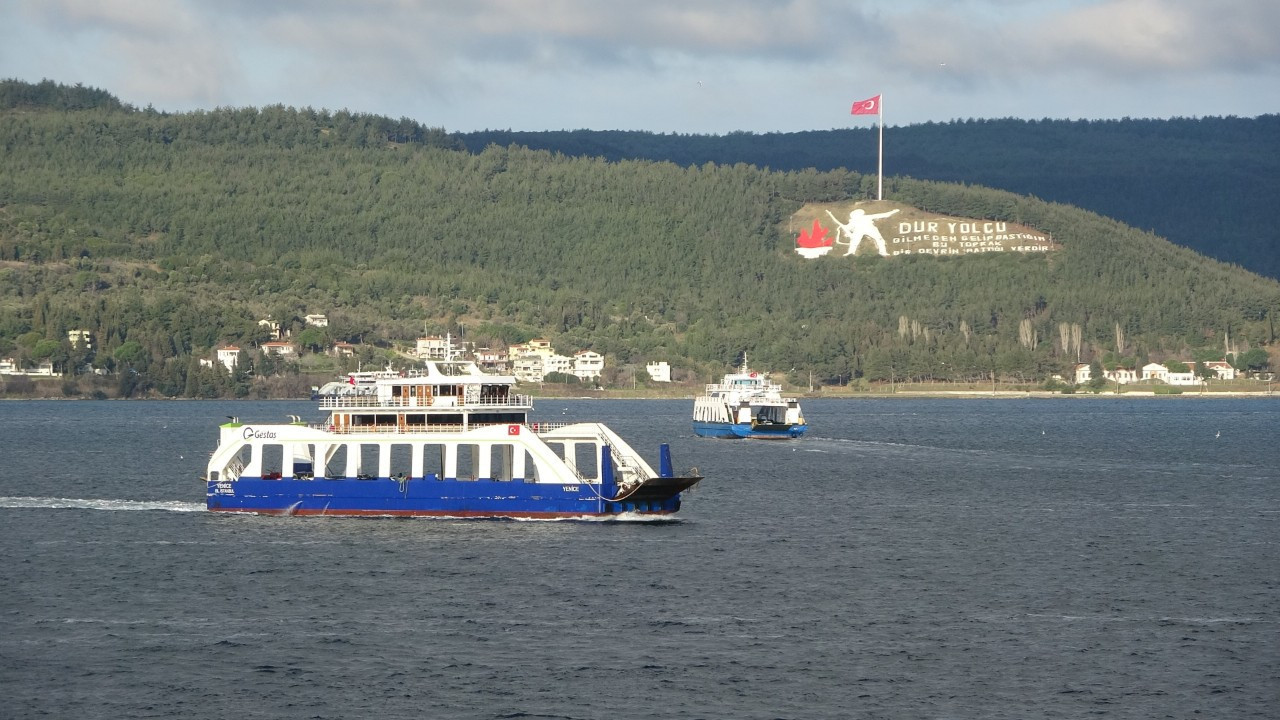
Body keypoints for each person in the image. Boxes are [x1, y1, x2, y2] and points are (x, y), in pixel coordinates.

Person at [825, 207, 900, 256]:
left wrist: (892, 212)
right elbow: (847, 227)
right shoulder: (854, 221)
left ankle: (883, 251)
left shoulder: (866, 217)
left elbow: (883, 215)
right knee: (854, 242)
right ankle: (851, 252)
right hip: (859, 230)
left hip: (870, 229)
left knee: (880, 240)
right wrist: (842, 227)